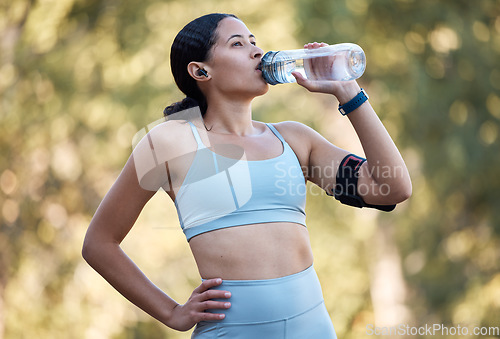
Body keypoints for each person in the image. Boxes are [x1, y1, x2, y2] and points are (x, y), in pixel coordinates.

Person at [82, 13, 412, 338]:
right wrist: (171, 312)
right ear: (201, 70)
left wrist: (348, 92)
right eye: (238, 43)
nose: (257, 51)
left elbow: (392, 187)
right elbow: (99, 243)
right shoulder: (170, 142)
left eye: (255, 42)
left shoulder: (295, 139)